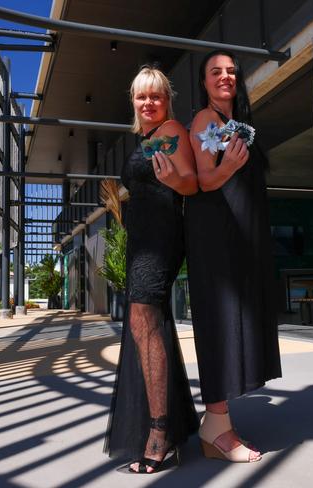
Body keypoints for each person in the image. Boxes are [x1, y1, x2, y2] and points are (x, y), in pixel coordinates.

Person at [185, 50, 282, 463]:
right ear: (205, 82)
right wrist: (227, 167)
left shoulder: (236, 123)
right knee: (222, 321)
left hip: (242, 236)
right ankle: (217, 428)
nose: (225, 77)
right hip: (218, 236)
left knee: (237, 319)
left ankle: (219, 424)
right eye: (215, 72)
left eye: (230, 71)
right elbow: (205, 179)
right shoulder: (206, 120)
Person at [104, 66, 199, 473]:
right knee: (145, 326)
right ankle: (165, 422)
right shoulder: (145, 139)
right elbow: (146, 186)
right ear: (134, 102)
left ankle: (160, 431)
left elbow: (190, 183)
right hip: (141, 240)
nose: (148, 103)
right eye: (142, 97)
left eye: (155, 96)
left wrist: (173, 177)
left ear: (167, 100)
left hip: (160, 241)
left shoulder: (172, 129)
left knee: (144, 321)